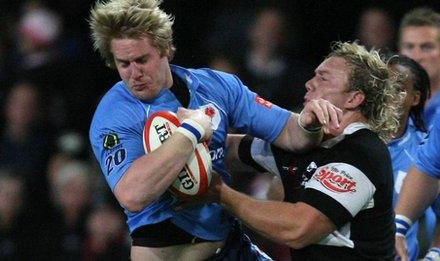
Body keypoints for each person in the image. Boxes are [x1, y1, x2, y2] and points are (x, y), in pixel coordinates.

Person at [88, 0, 341, 260]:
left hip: (231, 247)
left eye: (142, 60)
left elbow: (291, 134)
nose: (134, 73)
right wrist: (192, 129)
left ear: (166, 49)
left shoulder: (217, 86)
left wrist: (308, 123)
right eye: (124, 64)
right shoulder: (114, 113)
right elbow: (132, 194)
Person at [209, 41, 404, 260]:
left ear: (354, 98)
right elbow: (229, 149)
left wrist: (220, 193)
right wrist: (183, 143)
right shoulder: (305, 143)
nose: (309, 84)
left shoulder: (362, 151)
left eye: (323, 78)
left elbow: (299, 229)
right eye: (313, 76)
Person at [387, 54, 436, 260]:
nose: (387, 94)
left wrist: (435, 254)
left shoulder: (426, 151)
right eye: (382, 85)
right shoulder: (344, 138)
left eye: (398, 89)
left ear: (414, 98)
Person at [398, 7, 440, 129]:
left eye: (426, 47)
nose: (417, 57)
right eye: (409, 47)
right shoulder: (386, 104)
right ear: (399, 50)